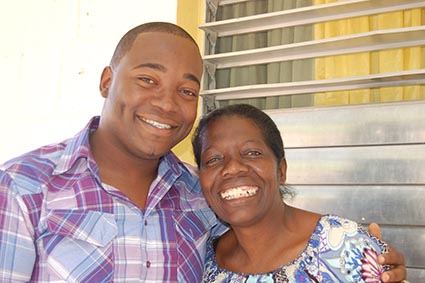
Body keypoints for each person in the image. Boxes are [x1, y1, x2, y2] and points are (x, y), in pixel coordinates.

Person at [0, 22, 405, 282]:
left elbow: (266, 229)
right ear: (107, 81)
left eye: (187, 91)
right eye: (147, 79)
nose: (166, 104)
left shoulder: (199, 194)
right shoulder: (24, 187)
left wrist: (355, 253)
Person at [192, 103, 407, 283]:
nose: (232, 168)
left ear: (281, 170)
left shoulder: (342, 248)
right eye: (213, 159)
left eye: (252, 153)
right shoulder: (204, 259)